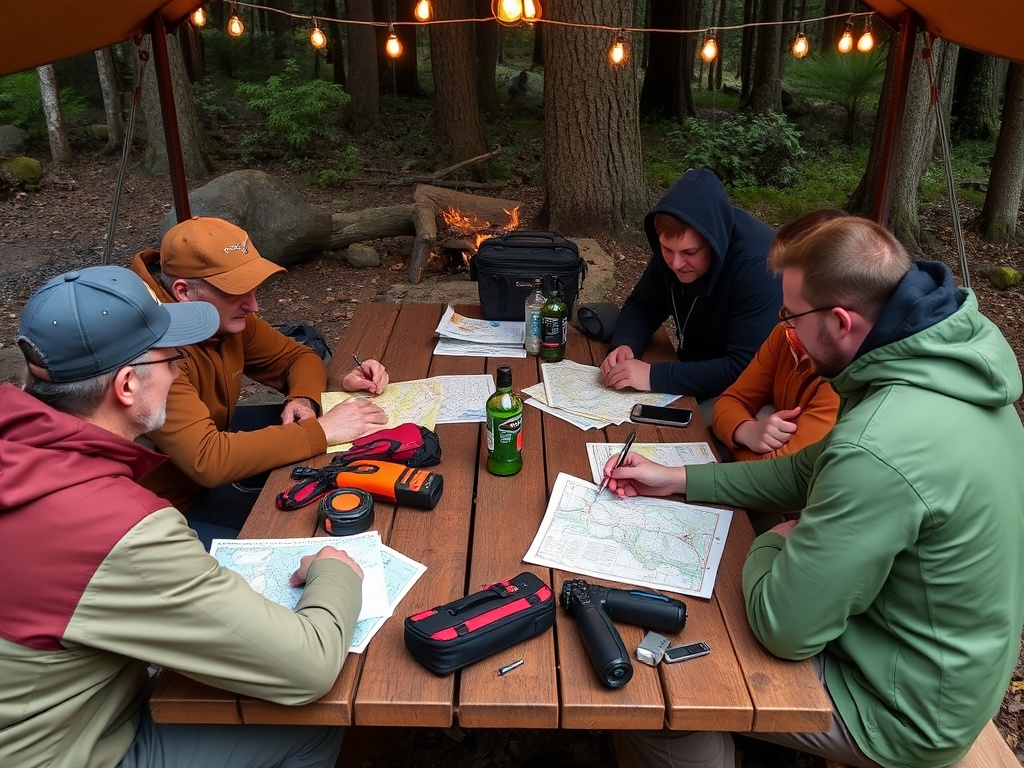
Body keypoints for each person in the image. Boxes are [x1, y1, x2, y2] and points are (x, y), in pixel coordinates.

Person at [604, 217, 1024, 768]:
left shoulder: (879, 446)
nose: (787, 333)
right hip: (932, 661)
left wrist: (774, 540)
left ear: (842, 321)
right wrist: (679, 480)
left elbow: (784, 629)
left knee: (665, 698)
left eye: (792, 318)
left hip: (900, 709)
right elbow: (806, 472)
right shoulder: (940, 372)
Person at [0, 266, 364, 768]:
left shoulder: (21, 454)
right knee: (307, 728)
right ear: (128, 385)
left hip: (51, 706)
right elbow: (309, 668)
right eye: (173, 360)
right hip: (68, 750)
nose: (177, 374)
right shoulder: (115, 527)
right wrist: (335, 573)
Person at [129, 216, 389, 542]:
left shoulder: (226, 317)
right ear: (184, 292)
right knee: (309, 538)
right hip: (154, 518)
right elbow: (207, 460)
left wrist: (303, 399)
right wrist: (321, 430)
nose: (253, 304)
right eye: (236, 290)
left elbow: (300, 357)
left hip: (197, 479)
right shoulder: (154, 352)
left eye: (252, 286)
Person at [600, 169, 781, 409]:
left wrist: (653, 376)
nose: (676, 264)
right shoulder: (676, 250)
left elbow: (744, 368)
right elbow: (644, 304)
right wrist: (626, 344)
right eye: (666, 250)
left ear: (713, 242)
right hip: (692, 368)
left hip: (748, 394)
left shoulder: (760, 267)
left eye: (690, 253)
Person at [711, 210, 842, 462]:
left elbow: (782, 479)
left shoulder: (843, 375)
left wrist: (739, 441)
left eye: (799, 314)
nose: (787, 324)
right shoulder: (786, 333)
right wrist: (746, 431)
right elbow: (729, 401)